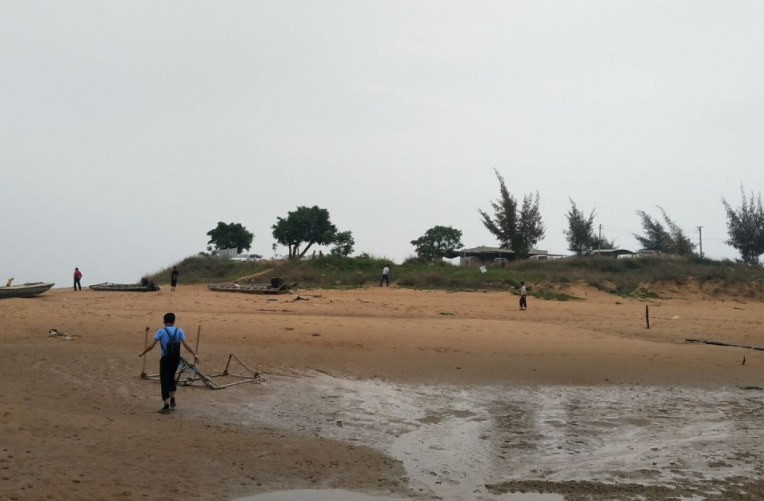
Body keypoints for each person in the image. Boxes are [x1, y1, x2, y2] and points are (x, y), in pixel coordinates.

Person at [138, 312, 200, 414]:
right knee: (171, 378)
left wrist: (142, 353)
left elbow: (151, 346)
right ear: (174, 321)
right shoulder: (179, 331)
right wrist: (194, 354)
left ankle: (166, 406)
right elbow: (186, 344)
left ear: (164, 321)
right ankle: (173, 399)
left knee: (164, 380)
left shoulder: (161, 331)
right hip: (176, 359)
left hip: (165, 359)